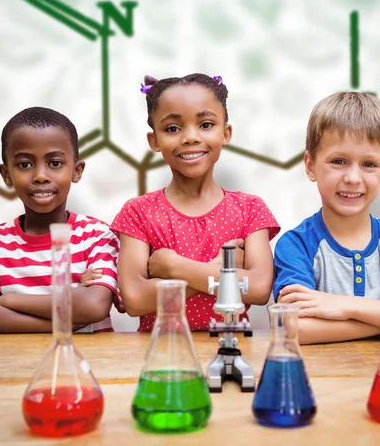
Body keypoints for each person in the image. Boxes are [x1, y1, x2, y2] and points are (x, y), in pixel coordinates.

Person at [273, 92, 380, 344]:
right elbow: (292, 329)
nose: (353, 178)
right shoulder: (295, 245)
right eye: (339, 161)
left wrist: (343, 306)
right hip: (323, 382)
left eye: (368, 164)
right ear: (310, 166)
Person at [111, 73, 280, 331]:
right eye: (172, 129)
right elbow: (135, 300)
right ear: (154, 141)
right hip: (161, 357)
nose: (190, 137)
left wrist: (173, 266)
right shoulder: (138, 212)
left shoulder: (250, 209)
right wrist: (222, 271)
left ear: (226, 133)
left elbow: (257, 289)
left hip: (233, 353)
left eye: (205, 124)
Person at [0, 107, 121, 334]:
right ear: (6, 174)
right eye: (25, 164)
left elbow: (93, 306)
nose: (40, 176)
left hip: (88, 365)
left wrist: (9, 300)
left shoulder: (96, 235)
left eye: (55, 163)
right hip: (12, 367)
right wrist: (66, 318)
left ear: (77, 171)